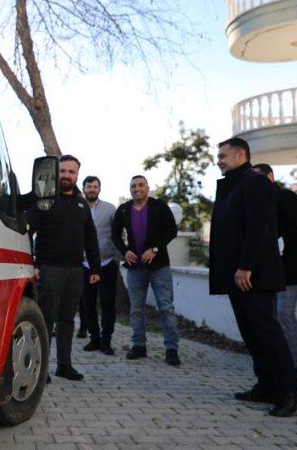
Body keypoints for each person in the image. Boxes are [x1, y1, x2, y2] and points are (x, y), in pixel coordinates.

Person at [210, 138, 297, 417]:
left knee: (266, 331)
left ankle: (291, 390)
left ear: (242, 154)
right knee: (251, 333)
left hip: (252, 274)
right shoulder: (233, 184)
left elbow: (259, 227)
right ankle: (267, 385)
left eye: (223, 155)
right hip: (236, 274)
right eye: (218, 156)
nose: (219, 160)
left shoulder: (255, 183)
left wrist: (246, 266)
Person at [25, 155, 101, 381]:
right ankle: (41, 368)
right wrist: (34, 264)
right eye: (63, 171)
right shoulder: (44, 199)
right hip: (49, 269)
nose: (67, 176)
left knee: (68, 320)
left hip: (75, 271)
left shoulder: (81, 203)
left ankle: (64, 366)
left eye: (71, 172)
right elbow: (28, 232)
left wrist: (95, 268)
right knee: (46, 319)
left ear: (77, 174)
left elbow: (91, 237)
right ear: (56, 173)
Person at [111, 175, 181, 366]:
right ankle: (138, 346)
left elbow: (171, 231)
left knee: (166, 308)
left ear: (147, 188)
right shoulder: (123, 210)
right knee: (136, 309)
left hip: (159, 267)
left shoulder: (159, 206)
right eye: (133, 186)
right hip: (135, 268)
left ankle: (171, 349)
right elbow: (115, 235)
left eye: (141, 185)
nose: (137, 189)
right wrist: (125, 252)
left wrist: (155, 249)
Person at [252, 163, 297, 366]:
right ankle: (278, 364)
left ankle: (292, 366)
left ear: (270, 176)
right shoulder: (258, 202)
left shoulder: (286, 197)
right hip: (268, 270)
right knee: (271, 316)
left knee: (284, 313)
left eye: (258, 179)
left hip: (289, 267)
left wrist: (277, 241)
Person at [80, 176, 119, 355]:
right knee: (88, 304)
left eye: (95, 187)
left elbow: (118, 234)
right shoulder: (77, 208)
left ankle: (106, 341)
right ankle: (94, 338)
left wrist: (118, 259)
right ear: (84, 188)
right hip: (84, 264)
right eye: (89, 186)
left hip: (107, 263)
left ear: (100, 189)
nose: (92, 190)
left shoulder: (110, 209)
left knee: (107, 304)